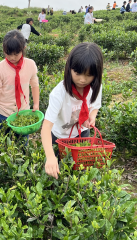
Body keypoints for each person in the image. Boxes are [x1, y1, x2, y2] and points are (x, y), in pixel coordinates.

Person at [41, 42, 103, 179]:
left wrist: (92, 116)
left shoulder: (95, 88)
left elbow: (95, 106)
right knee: (57, 174)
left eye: (89, 75)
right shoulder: (59, 93)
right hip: (59, 137)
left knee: (79, 170)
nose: (82, 79)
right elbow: (46, 127)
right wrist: (50, 157)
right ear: (69, 68)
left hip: (81, 134)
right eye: (78, 73)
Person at [0, 30, 39, 136]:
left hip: (23, 112)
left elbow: (34, 84)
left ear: (23, 49)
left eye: (16, 54)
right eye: (8, 54)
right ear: (4, 50)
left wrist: (36, 103)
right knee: (3, 144)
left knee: (22, 144)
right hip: (3, 113)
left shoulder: (30, 64)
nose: (12, 57)